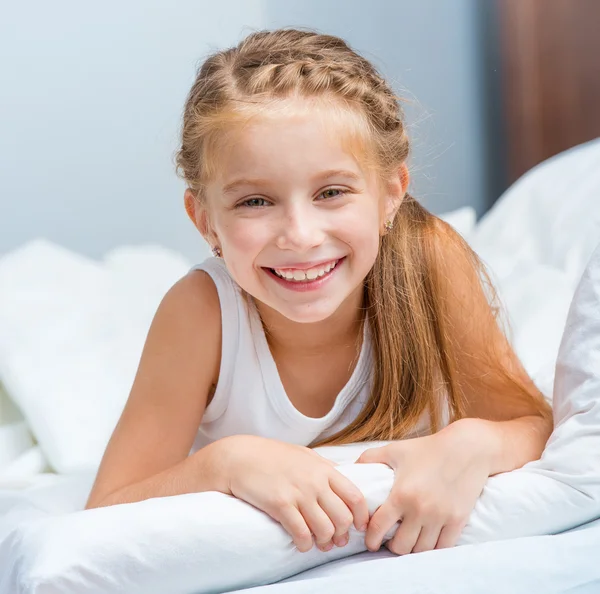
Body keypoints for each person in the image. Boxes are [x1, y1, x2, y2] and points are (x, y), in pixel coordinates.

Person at [86, 28, 552, 557]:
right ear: (204, 221)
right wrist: (226, 463)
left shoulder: (430, 261)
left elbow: (533, 426)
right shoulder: (200, 313)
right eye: (255, 202)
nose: (300, 236)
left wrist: (473, 443)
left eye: (332, 192)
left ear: (391, 194)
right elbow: (106, 511)